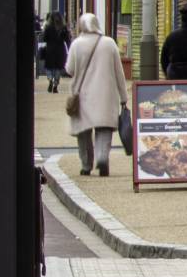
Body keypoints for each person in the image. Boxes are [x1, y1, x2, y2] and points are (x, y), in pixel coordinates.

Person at [66, 13, 130, 176]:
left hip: (83, 95)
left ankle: (86, 165)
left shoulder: (76, 44)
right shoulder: (109, 43)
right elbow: (119, 72)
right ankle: (102, 158)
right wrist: (123, 97)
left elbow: (69, 69)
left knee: (84, 131)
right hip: (106, 94)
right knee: (104, 129)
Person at [41, 16, 72, 93]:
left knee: (49, 67)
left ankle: (50, 78)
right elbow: (67, 40)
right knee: (58, 68)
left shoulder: (48, 27)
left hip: (50, 50)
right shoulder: (63, 28)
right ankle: (55, 85)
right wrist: (69, 49)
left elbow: (44, 38)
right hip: (60, 51)